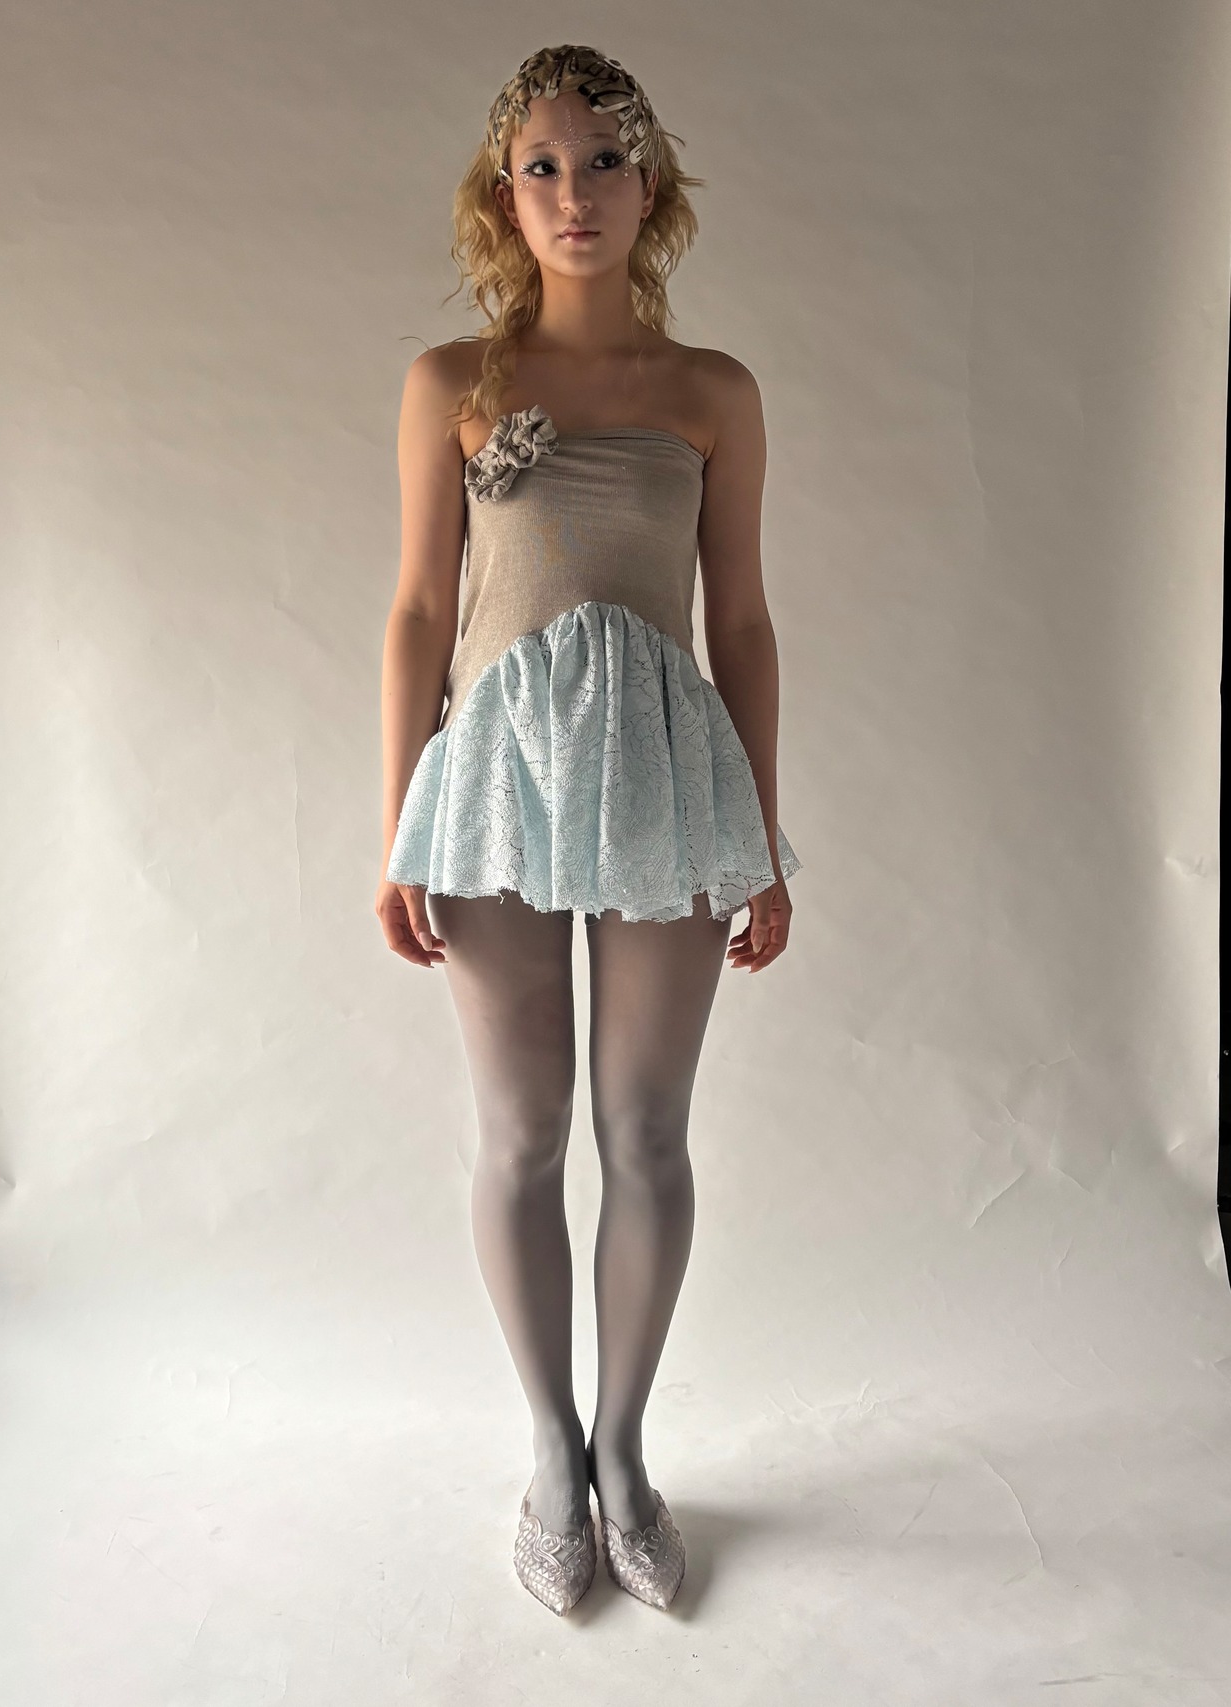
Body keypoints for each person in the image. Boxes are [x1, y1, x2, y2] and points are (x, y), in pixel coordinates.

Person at [375, 43, 802, 1615]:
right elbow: (421, 612)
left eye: (606, 160)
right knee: (523, 1134)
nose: (576, 193)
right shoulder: (453, 384)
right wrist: (399, 827)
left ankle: (624, 1447)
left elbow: (739, 620)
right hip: (496, 781)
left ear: (651, 182)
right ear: (507, 196)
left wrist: (761, 835)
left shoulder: (713, 395)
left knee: (646, 1132)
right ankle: (549, 1449)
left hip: (666, 781)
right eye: (543, 167)